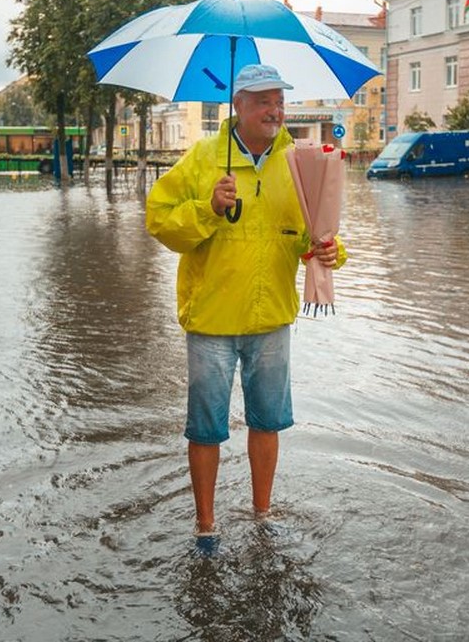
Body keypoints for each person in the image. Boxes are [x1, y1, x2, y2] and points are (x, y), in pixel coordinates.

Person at [146, 63, 347, 546]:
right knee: (206, 428)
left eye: (279, 100)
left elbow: (310, 235)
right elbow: (159, 221)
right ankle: (206, 525)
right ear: (237, 105)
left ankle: (261, 513)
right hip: (212, 319)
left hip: (271, 316)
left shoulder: (298, 161)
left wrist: (329, 251)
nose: (275, 110)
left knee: (268, 422)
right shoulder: (202, 157)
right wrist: (207, 209)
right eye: (263, 101)